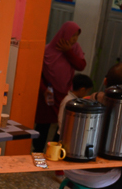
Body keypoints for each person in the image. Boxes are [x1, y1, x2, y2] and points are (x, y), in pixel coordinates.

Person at [34, 22, 86, 151]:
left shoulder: (75, 49)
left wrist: (68, 52)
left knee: (63, 124)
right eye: (72, 35)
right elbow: (37, 73)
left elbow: (81, 66)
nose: (74, 39)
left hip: (65, 92)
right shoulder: (47, 50)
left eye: (76, 36)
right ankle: (38, 150)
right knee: (43, 124)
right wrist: (44, 89)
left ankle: (56, 150)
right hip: (49, 92)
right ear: (64, 34)